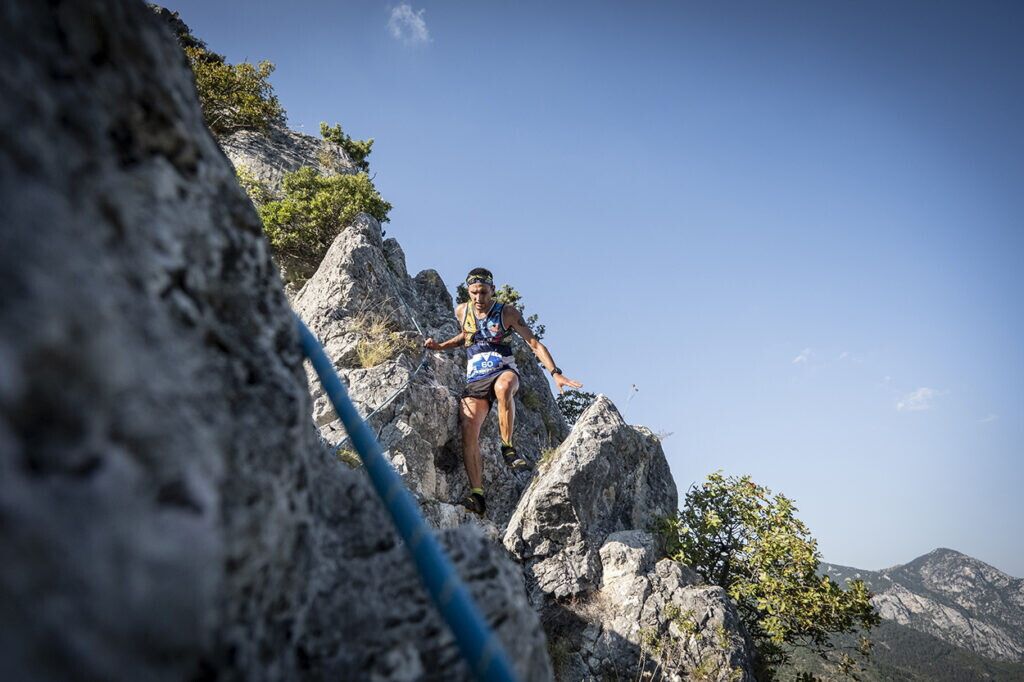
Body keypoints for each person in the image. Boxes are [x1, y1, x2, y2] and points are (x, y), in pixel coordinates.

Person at [423, 268, 582, 515]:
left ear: (493, 290)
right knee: (468, 428)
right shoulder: (462, 311)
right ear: (468, 292)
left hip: (503, 368)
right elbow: (466, 336)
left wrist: (555, 372)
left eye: (484, 292)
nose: (479, 298)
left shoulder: (506, 313)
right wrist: (439, 346)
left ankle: (507, 447)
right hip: (476, 376)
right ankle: (477, 496)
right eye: (474, 293)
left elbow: (534, 343)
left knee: (504, 386)